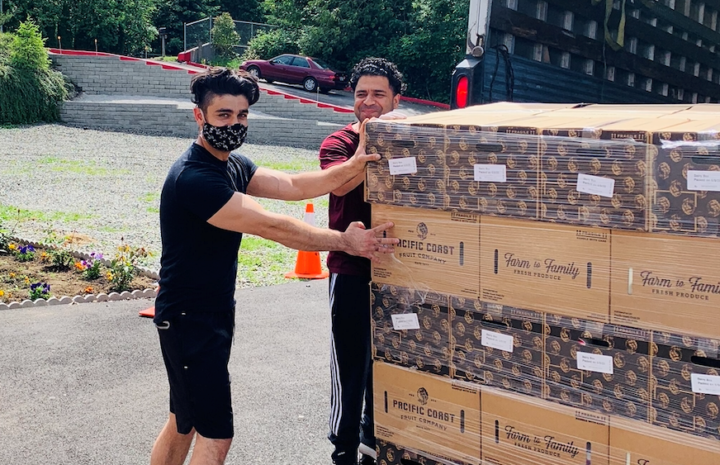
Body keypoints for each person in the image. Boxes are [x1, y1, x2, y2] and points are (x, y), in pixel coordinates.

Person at [150, 67, 398, 465]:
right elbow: (272, 225)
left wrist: (358, 161)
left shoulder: (232, 164)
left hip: (204, 313)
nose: (234, 124)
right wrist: (345, 241)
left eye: (242, 115)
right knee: (216, 435)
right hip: (190, 318)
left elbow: (294, 185)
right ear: (200, 116)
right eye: (224, 116)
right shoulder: (195, 177)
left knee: (185, 419)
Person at [319, 58, 406, 465]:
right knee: (350, 363)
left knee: (389, 359)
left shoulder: (411, 144)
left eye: (378, 94)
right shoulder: (337, 143)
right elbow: (341, 180)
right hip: (351, 270)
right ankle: (344, 447)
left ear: (396, 100)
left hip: (401, 272)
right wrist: (371, 141)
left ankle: (375, 439)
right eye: (361, 94)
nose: (368, 102)